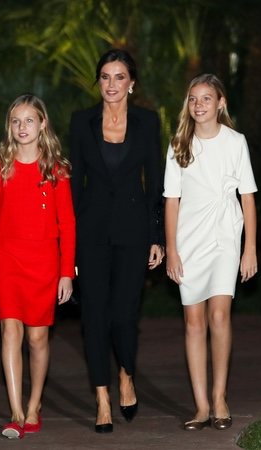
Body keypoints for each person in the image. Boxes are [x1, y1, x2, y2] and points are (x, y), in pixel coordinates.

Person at [69, 48, 164, 434]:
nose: (111, 84)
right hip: (90, 232)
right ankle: (102, 398)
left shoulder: (147, 121)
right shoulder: (81, 122)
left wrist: (157, 236)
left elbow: (155, 181)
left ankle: (126, 372)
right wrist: (68, 243)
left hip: (133, 230)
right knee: (94, 317)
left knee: (124, 315)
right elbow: (75, 185)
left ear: (131, 83)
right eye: (105, 77)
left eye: (119, 77)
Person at [0, 94, 75, 439]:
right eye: (16, 121)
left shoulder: (55, 170)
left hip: (45, 262)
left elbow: (68, 225)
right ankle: (15, 411)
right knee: (10, 331)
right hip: (6, 260)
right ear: (9, 127)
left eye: (29, 120)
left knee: (37, 337)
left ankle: (34, 405)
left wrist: (66, 273)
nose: (22, 127)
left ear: (43, 124)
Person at [163, 73, 257, 431]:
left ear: (221, 103)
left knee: (219, 316)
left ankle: (220, 398)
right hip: (189, 241)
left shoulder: (235, 142)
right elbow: (171, 201)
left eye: (206, 98)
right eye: (193, 99)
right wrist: (171, 250)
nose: (199, 105)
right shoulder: (178, 144)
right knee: (193, 321)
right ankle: (201, 405)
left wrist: (249, 249)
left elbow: (247, 198)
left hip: (225, 237)